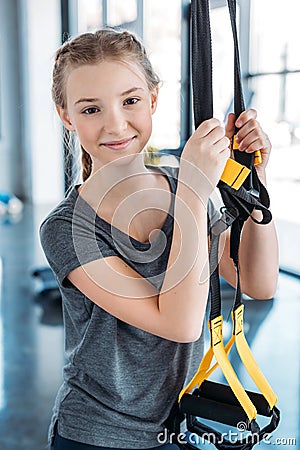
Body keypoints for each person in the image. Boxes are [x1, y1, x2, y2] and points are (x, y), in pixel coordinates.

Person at [40, 28, 279, 450]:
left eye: (130, 101)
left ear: (152, 99)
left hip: (175, 425)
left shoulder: (183, 187)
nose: (115, 124)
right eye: (91, 108)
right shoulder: (67, 228)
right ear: (66, 116)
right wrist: (193, 191)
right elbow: (181, 324)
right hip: (97, 434)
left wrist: (255, 186)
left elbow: (258, 282)